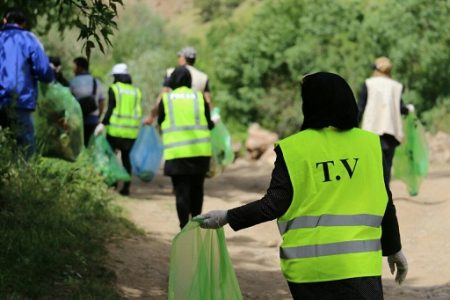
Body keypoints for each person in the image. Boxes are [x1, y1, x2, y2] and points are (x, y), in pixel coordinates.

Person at [198, 72, 408, 299]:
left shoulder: (293, 149)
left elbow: (273, 205)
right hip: (360, 267)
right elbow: (384, 200)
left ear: (309, 105)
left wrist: (228, 216)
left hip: (309, 270)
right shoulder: (370, 144)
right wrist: (393, 248)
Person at [159, 66, 214, 229]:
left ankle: (184, 227)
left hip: (177, 153)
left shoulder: (166, 99)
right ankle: (196, 226)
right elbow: (209, 123)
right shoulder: (199, 97)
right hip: (201, 152)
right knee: (198, 190)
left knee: (181, 192)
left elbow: (160, 122)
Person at [0, 8, 54, 158]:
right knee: (24, 149)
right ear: (23, 23)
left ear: (5, 20)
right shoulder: (29, 39)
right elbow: (44, 72)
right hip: (20, 103)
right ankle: (22, 179)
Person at [359, 56, 413, 183]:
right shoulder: (397, 86)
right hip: (390, 132)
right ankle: (386, 197)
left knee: (372, 166)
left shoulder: (368, 84)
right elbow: (400, 108)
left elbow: (360, 107)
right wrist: (409, 109)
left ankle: (373, 196)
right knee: (386, 167)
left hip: (371, 131)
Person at [94, 63, 142, 196]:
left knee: (111, 158)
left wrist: (103, 124)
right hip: (131, 132)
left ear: (117, 76)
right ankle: (126, 188)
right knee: (126, 159)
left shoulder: (114, 89)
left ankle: (113, 184)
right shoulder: (136, 91)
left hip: (115, 131)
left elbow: (110, 109)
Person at [144, 47, 213, 125]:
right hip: (195, 122)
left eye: (179, 57)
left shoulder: (171, 72)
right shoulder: (203, 77)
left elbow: (162, 97)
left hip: (174, 121)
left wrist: (151, 117)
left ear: (183, 58)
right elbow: (208, 102)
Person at [69, 56, 105, 146]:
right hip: (93, 121)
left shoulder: (73, 82)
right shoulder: (96, 82)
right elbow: (102, 102)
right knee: (91, 147)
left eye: (74, 67)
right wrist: (98, 117)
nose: (73, 70)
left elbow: (68, 102)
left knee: (78, 147)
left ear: (80, 67)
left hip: (77, 122)